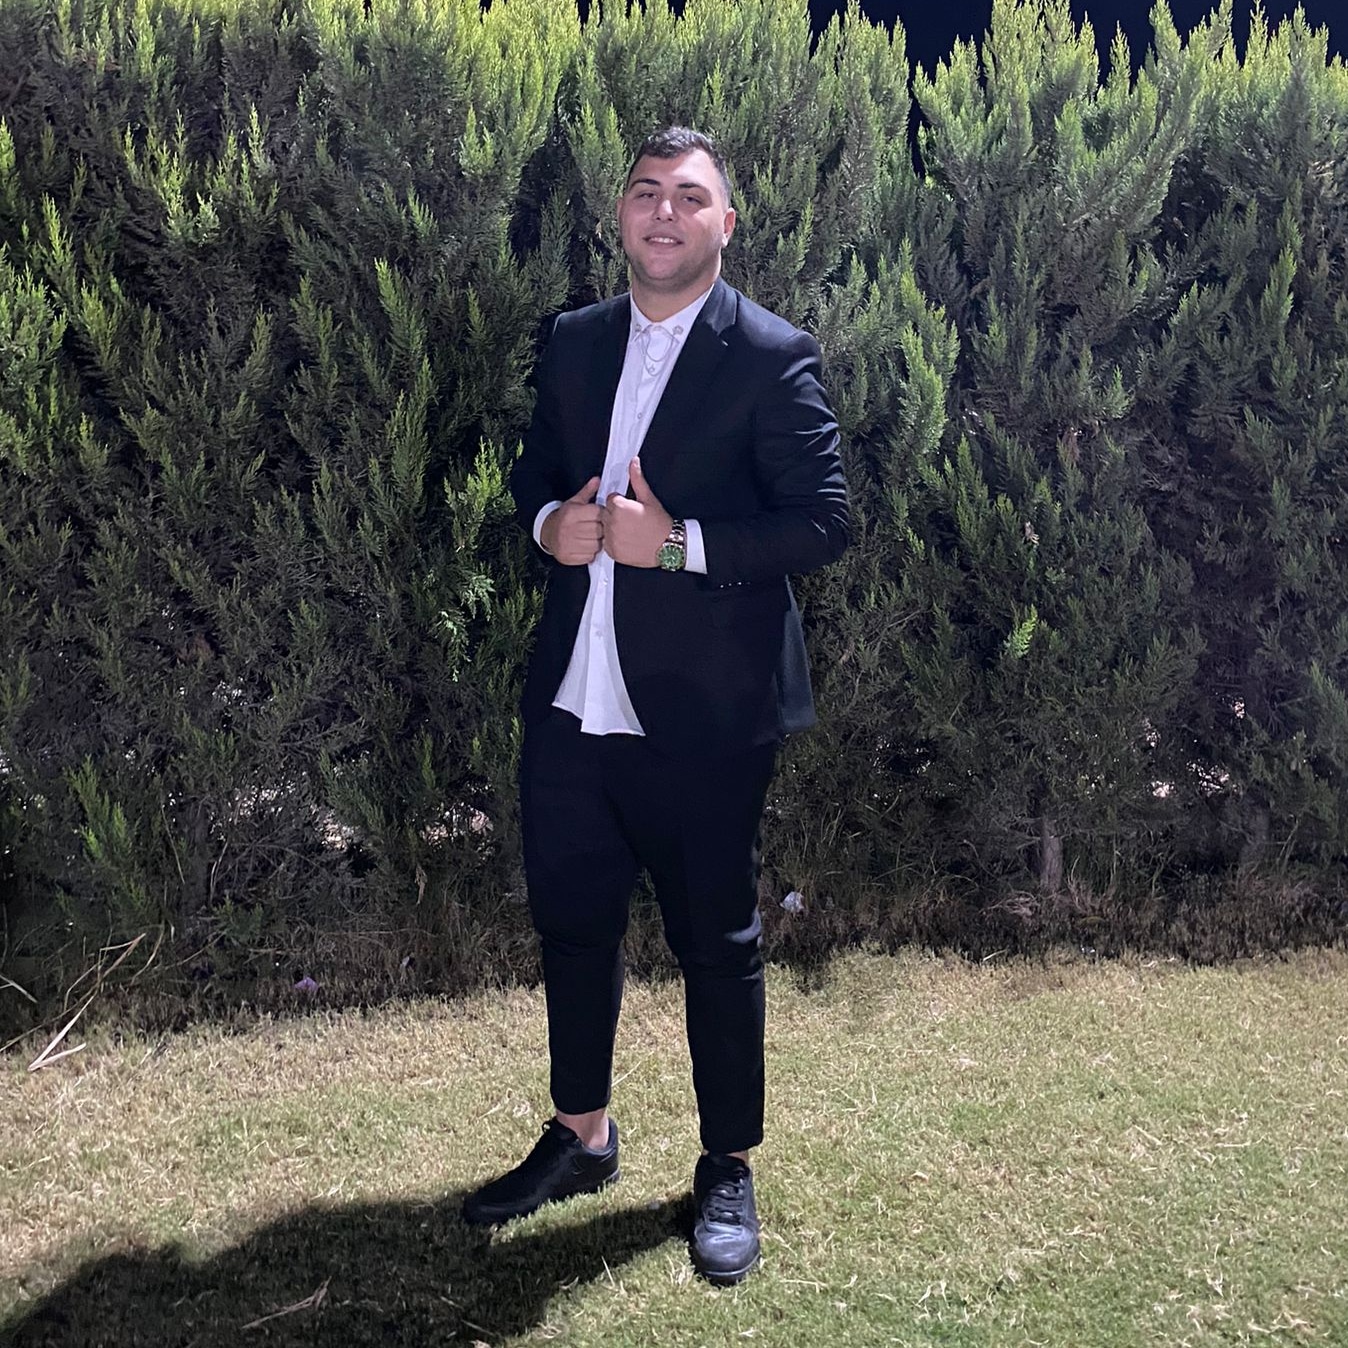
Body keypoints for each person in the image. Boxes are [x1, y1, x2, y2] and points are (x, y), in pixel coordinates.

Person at [462, 126, 849, 1285]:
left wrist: (675, 545)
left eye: (689, 196)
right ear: (620, 216)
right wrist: (551, 525)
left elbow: (823, 520)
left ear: (725, 222)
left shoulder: (770, 354)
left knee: (716, 944)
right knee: (572, 925)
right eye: (645, 193)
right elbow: (535, 475)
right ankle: (581, 1133)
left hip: (703, 710)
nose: (664, 213)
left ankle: (725, 1164)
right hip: (571, 704)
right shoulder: (574, 341)